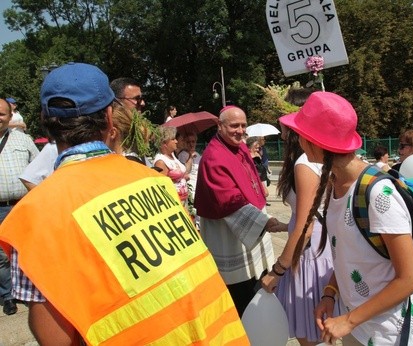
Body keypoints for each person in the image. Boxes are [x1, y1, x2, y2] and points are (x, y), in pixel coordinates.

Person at [0, 62, 247, 345]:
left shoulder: (36, 216)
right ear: (109, 116)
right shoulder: (154, 181)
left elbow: (53, 336)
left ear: (45, 120)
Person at [280, 91, 413, 345]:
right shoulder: (335, 183)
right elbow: (347, 253)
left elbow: (411, 278)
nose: (298, 140)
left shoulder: (379, 194)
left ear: (315, 142)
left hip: (388, 333)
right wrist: (330, 293)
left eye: (301, 134)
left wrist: (348, 320)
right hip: (357, 324)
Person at [194, 105, 281, 317]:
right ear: (220, 126)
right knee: (241, 294)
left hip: (253, 220)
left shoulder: (240, 147)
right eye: (234, 125)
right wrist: (266, 223)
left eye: (243, 125)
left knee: (257, 280)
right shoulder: (213, 157)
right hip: (228, 231)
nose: (240, 130)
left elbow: (251, 177)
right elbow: (228, 202)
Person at [261, 124, 339, 345]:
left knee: (311, 334)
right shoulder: (313, 160)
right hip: (314, 249)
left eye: (284, 126)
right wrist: (287, 226)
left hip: (308, 254)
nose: (281, 131)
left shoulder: (304, 163)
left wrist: (278, 270)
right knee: (318, 332)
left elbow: (307, 227)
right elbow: (314, 214)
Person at [0, 98, 39, 316]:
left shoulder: (23, 140)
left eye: (2, 114)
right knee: (1, 257)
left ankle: (29, 291)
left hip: (22, 206)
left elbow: (39, 166)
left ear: (9, 117)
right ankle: (8, 296)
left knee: (26, 250)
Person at [153, 126, 190, 209]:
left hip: (183, 200)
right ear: (164, 143)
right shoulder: (161, 161)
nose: (176, 141)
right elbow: (162, 187)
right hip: (174, 203)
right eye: (173, 139)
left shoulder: (172, 155)